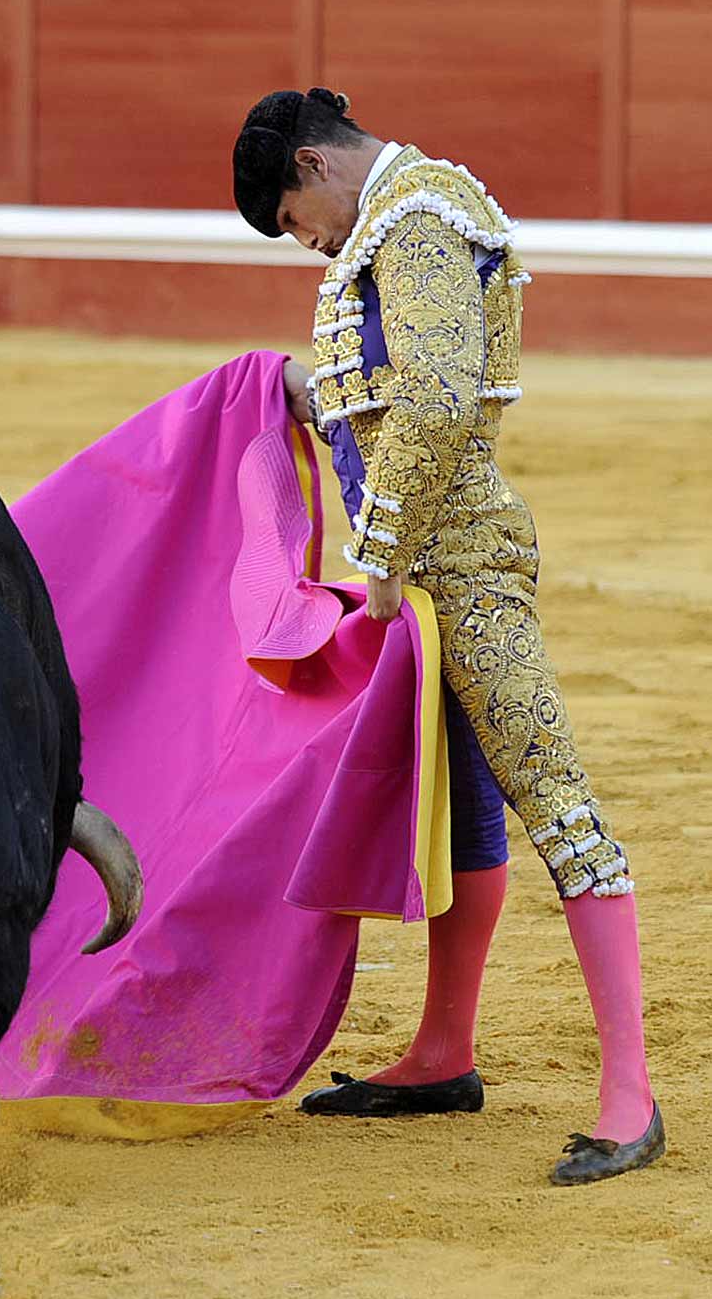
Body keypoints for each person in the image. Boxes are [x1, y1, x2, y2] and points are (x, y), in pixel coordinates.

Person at [231, 86, 663, 1186]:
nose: (305, 244)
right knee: (464, 803)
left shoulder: (415, 215)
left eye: (291, 220)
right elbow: (379, 388)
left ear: (314, 170)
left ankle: (628, 1095)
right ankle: (442, 1051)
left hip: (458, 568)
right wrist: (273, 388)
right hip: (422, 574)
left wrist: (374, 561)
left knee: (547, 792)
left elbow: (430, 400)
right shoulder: (391, 221)